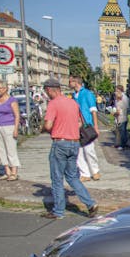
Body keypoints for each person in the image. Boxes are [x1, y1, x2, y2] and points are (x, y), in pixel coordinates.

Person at [40, 78, 98, 219]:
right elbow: (79, 123)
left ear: (49, 90)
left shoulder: (53, 104)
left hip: (60, 143)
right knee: (73, 177)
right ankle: (90, 203)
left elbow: (48, 125)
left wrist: (46, 129)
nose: (46, 94)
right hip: (74, 143)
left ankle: (58, 211)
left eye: (46, 91)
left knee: (57, 178)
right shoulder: (73, 102)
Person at [69, 75, 101, 182]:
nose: (69, 84)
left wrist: (96, 126)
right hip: (75, 126)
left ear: (75, 82)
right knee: (79, 151)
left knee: (89, 150)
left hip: (87, 125)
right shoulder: (73, 96)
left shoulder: (87, 94)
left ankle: (95, 171)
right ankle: (85, 173)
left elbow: (93, 110)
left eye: (70, 81)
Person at [0, 81, 21, 181]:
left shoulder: (11, 100)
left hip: (9, 126)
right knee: (1, 149)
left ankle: (14, 172)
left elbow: (17, 115)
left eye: (0, 88)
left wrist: (16, 129)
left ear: (6, 89)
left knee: (11, 149)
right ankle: (7, 171)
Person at [113, 85, 130, 150]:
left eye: (117, 90)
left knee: (123, 131)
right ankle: (118, 143)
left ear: (120, 90)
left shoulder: (124, 98)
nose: (115, 92)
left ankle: (123, 145)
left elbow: (125, 108)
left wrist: (118, 112)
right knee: (119, 131)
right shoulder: (117, 98)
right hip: (118, 117)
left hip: (123, 117)